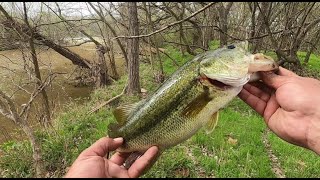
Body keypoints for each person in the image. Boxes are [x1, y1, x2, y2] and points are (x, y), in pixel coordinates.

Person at [65, 66, 320, 178]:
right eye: (231, 51)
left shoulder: (214, 84)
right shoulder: (203, 81)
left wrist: (313, 119)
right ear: (209, 70)